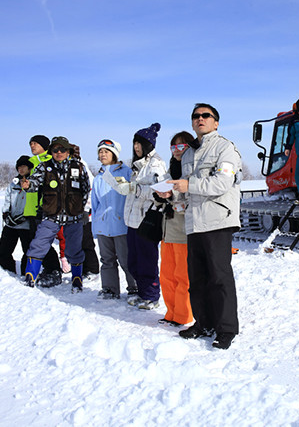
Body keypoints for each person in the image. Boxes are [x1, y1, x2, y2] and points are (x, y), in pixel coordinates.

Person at [170, 103, 242, 350]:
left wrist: (188, 186)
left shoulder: (226, 148)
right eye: (195, 116)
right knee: (197, 278)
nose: (200, 119)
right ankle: (203, 323)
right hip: (194, 222)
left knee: (219, 277)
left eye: (205, 116)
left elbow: (221, 183)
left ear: (216, 122)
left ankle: (226, 329)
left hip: (218, 220)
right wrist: (171, 195)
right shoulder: (189, 154)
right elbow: (186, 191)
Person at [102, 123, 166, 309]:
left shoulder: (156, 164)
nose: (137, 147)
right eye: (135, 143)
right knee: (134, 260)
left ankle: (151, 295)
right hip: (132, 220)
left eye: (141, 143)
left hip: (147, 220)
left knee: (147, 260)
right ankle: (141, 292)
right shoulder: (136, 164)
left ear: (149, 145)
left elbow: (158, 190)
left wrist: (133, 188)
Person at [21, 136, 91, 291]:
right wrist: (27, 185)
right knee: (38, 244)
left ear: (68, 151)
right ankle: (30, 277)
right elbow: (34, 182)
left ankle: (77, 279)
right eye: (55, 150)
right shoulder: (44, 167)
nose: (59, 152)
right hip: (51, 214)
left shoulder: (78, 166)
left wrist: (81, 208)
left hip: (74, 215)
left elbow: (86, 189)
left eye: (62, 149)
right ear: (51, 151)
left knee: (73, 249)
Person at [154, 131, 195, 327]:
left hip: (184, 230)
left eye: (182, 146)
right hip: (167, 228)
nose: (177, 151)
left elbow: (194, 197)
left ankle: (183, 315)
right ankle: (170, 312)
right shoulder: (170, 171)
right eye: (173, 147)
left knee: (183, 277)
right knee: (167, 276)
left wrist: (172, 196)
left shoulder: (192, 172)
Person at [91, 139, 137, 299]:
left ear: (114, 154)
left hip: (122, 225)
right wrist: (95, 228)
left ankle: (134, 288)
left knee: (126, 260)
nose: (102, 154)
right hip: (103, 226)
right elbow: (95, 205)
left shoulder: (126, 172)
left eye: (106, 151)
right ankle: (110, 289)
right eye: (100, 152)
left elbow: (132, 196)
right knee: (107, 260)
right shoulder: (98, 177)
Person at [25, 135, 63, 280]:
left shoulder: (49, 162)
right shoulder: (30, 162)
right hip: (30, 209)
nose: (32, 146)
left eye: (35, 143)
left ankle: (53, 269)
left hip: (46, 208)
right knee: (33, 241)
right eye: (30, 143)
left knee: (42, 241)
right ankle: (37, 269)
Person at [0, 155, 34, 274]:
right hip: (11, 222)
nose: (21, 169)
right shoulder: (13, 184)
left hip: (26, 223)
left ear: (29, 168)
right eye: (19, 167)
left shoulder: (34, 183)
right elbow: (7, 199)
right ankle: (6, 271)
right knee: (3, 250)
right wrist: (6, 213)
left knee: (28, 251)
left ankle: (26, 273)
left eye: (24, 166)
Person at [70, 143, 100, 277]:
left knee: (85, 241)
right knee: (75, 241)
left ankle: (92, 269)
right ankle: (80, 268)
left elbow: (89, 189)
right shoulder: (66, 166)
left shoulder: (80, 166)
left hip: (83, 212)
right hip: (71, 212)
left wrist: (86, 209)